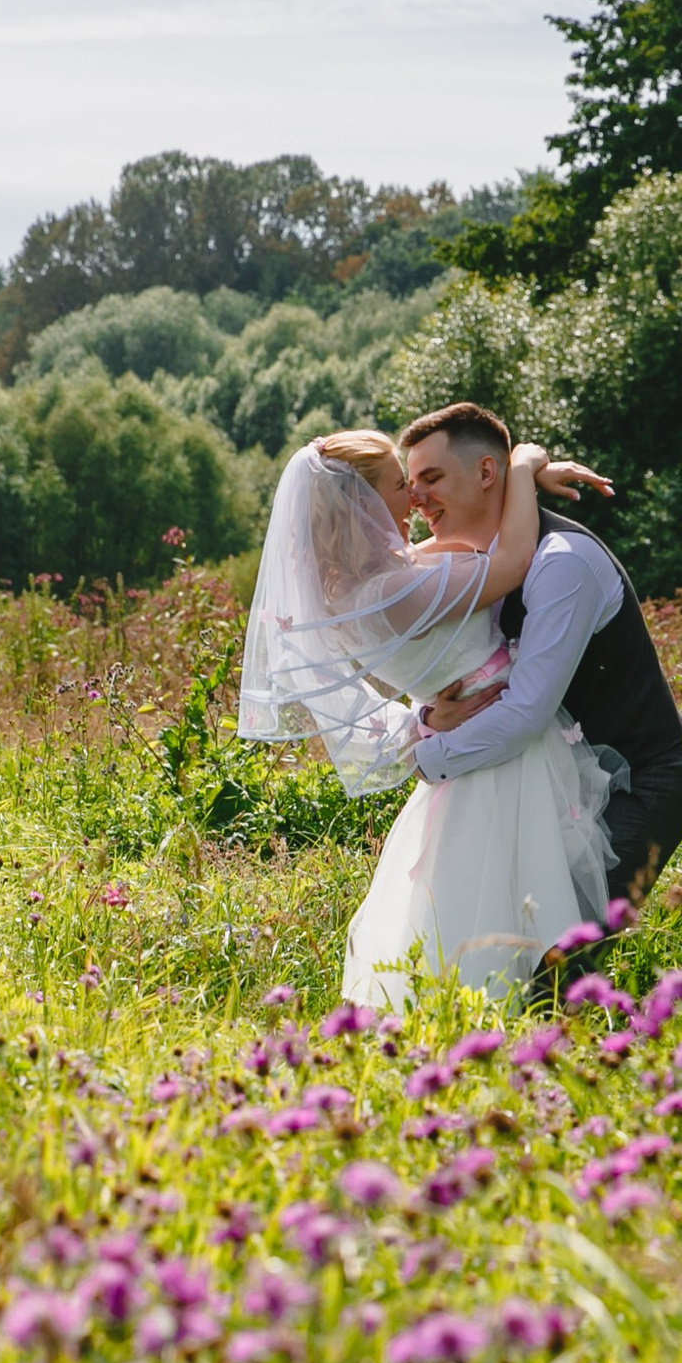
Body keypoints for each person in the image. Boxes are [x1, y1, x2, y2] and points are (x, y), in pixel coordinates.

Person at [235, 428, 615, 1005]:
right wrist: (523, 465)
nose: (413, 498)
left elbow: (469, 543)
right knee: (517, 910)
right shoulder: (395, 589)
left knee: (471, 907)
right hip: (502, 747)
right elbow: (509, 561)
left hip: (468, 742)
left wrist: (425, 724)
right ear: (361, 504)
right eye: (398, 485)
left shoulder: (359, 585)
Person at [400, 403, 682, 933]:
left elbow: (525, 712)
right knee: (506, 948)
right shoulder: (479, 565)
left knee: (560, 964)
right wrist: (431, 715)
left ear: (487, 472)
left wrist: (427, 759)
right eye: (409, 482)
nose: (416, 496)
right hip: (557, 790)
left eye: (431, 477)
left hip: (638, 785)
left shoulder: (561, 562)